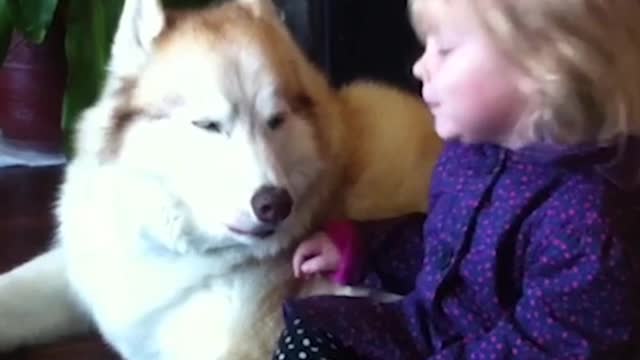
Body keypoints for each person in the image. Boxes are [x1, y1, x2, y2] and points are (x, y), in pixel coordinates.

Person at [272, 0, 640, 358]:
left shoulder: (587, 220)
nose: (420, 67)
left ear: (545, 69)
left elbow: (547, 346)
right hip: (434, 330)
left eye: (445, 50)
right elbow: (450, 253)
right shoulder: (474, 149)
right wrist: (368, 249)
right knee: (312, 329)